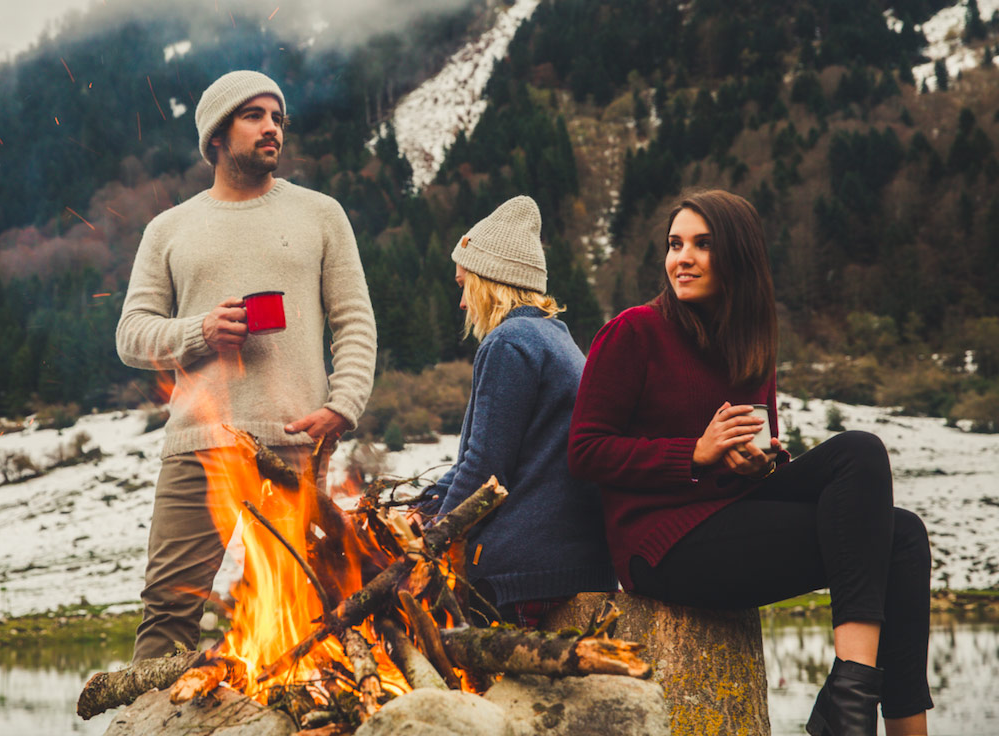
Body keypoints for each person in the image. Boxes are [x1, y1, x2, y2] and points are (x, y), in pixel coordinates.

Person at [568, 190, 931, 736]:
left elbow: (750, 464)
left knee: (889, 507)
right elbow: (585, 451)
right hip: (660, 545)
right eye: (674, 244)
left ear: (737, 255)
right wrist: (694, 450)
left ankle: (878, 710)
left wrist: (757, 465)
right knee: (887, 529)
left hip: (727, 513)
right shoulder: (633, 332)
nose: (681, 258)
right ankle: (851, 707)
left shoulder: (748, 343)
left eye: (701, 244)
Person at [116, 70, 377, 662]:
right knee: (168, 608)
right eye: (254, 116)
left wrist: (343, 404)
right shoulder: (169, 229)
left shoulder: (321, 214)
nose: (271, 129)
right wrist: (198, 331)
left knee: (298, 608)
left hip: (293, 441)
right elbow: (132, 336)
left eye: (277, 118)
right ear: (216, 136)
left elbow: (355, 320)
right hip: (198, 445)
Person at [420, 195, 617, 627]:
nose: (461, 302)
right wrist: (423, 507)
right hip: (576, 558)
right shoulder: (554, 337)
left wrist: (428, 544)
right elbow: (481, 458)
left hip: (524, 570)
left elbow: (484, 470)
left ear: (489, 281)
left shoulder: (510, 343)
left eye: (462, 285)